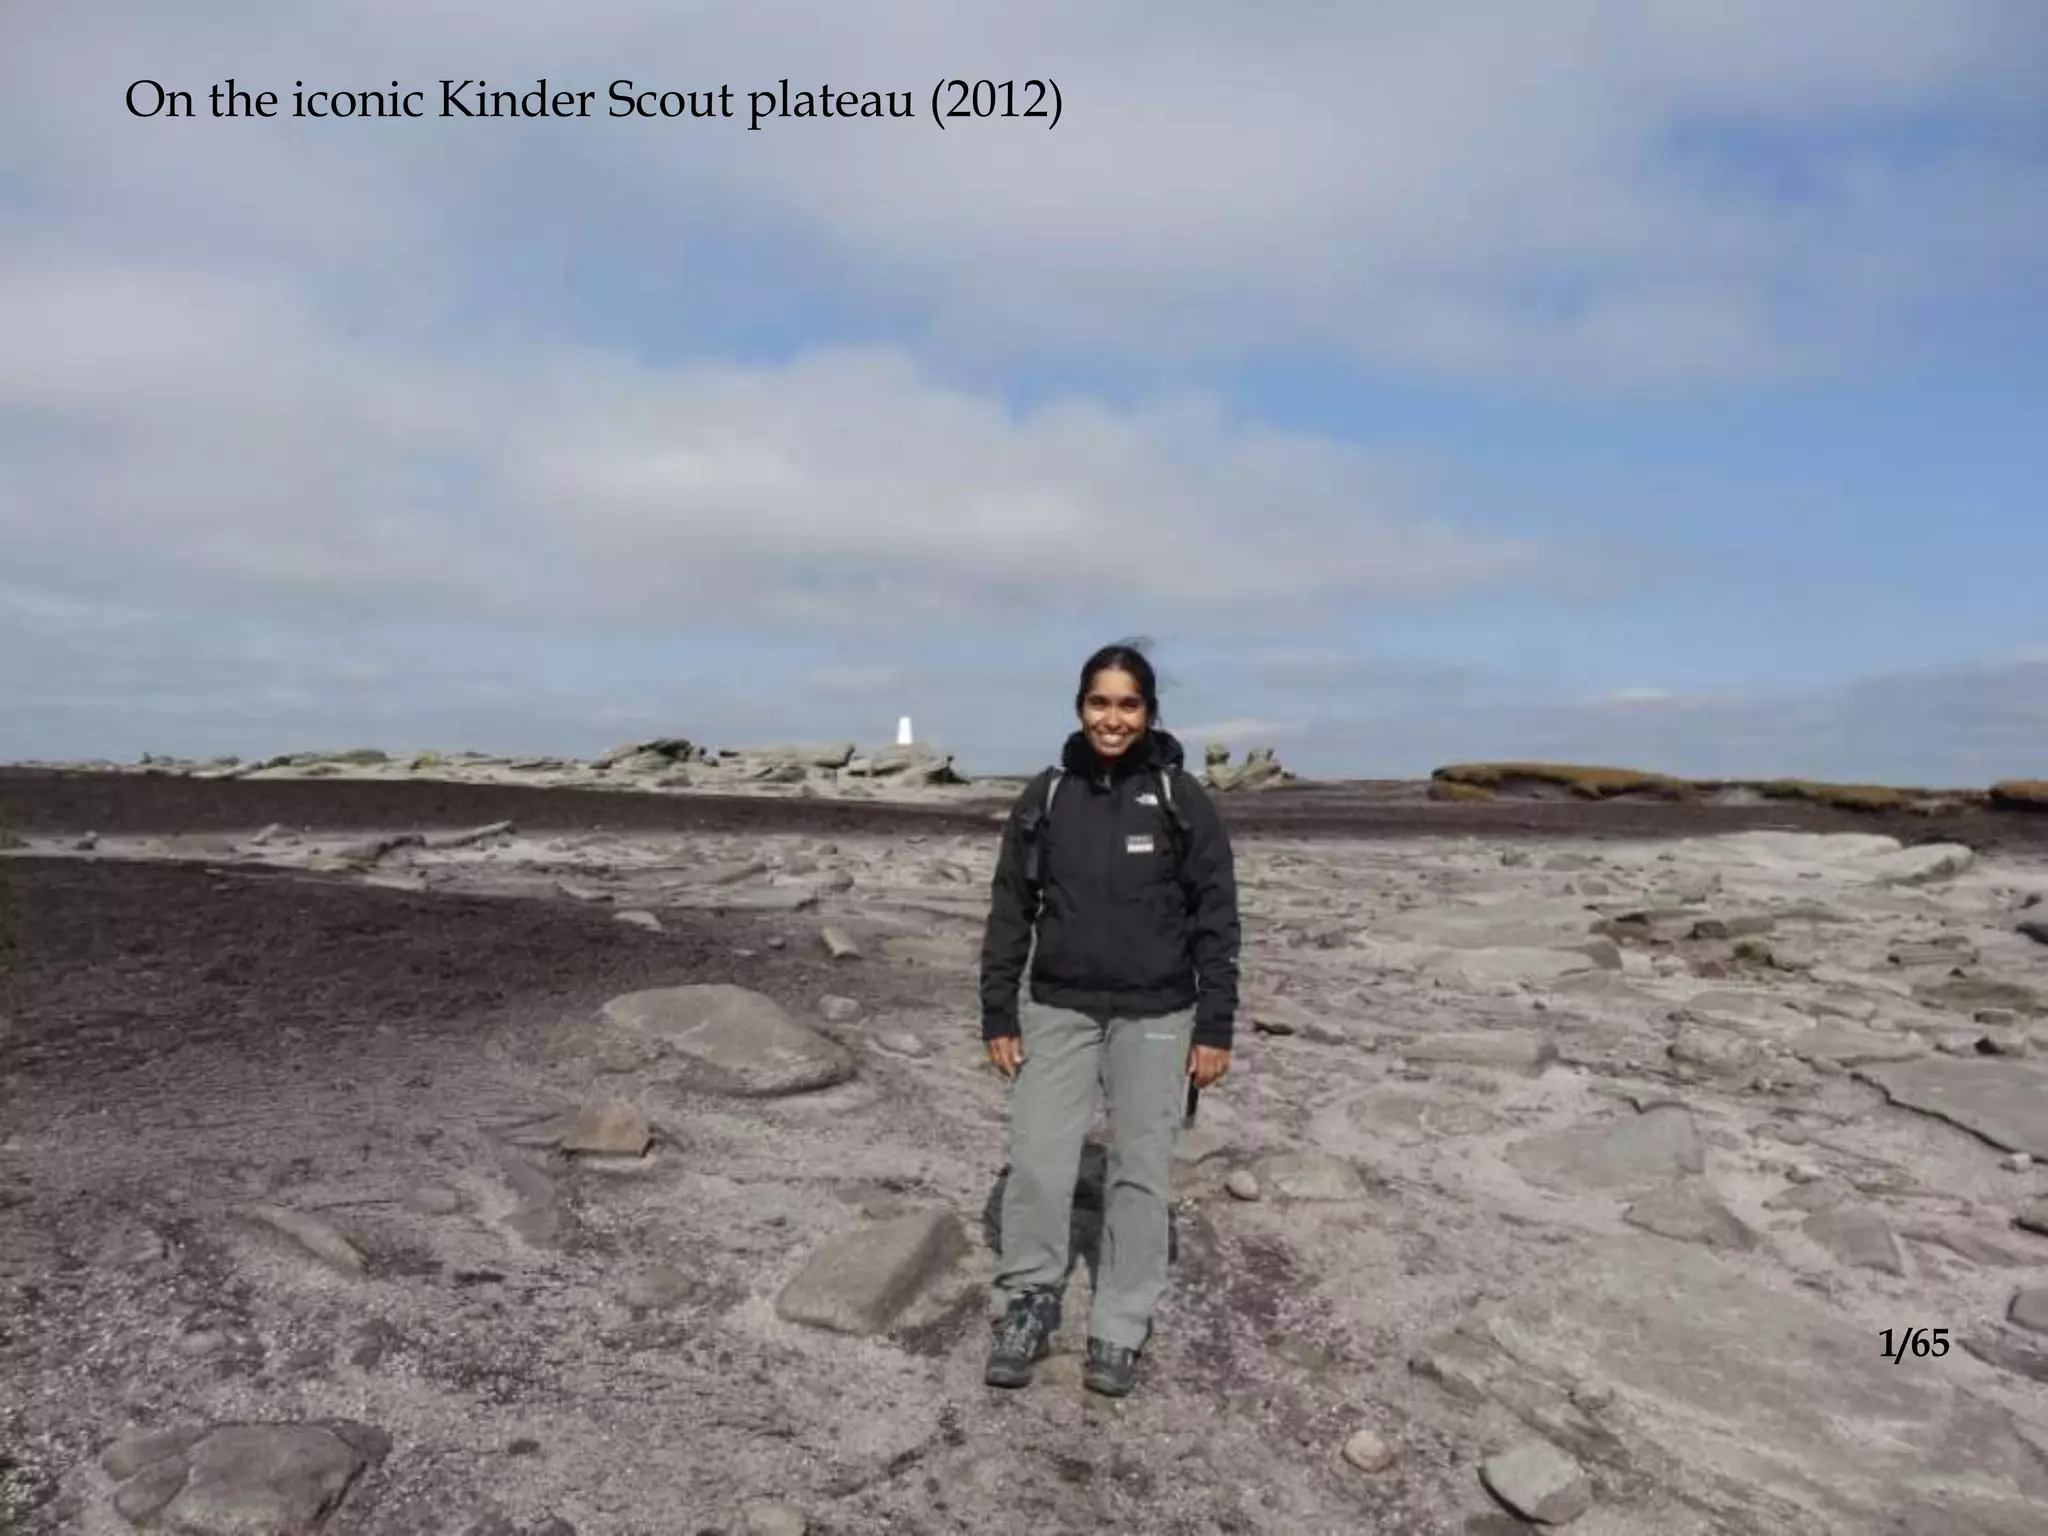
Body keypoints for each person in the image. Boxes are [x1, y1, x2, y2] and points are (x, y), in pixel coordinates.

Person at [977, 642, 1241, 1397]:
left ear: (1149, 712)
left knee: (1139, 1172)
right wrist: (998, 1009)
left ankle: (1120, 1324)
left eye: (1128, 705)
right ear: (1080, 707)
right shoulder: (1048, 796)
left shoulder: (1180, 797)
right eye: (1100, 703)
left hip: (1157, 1013)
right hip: (1058, 1008)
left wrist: (1214, 1027)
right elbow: (1010, 909)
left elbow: (1217, 918)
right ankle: (1029, 1301)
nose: (1113, 719)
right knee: (1038, 1161)